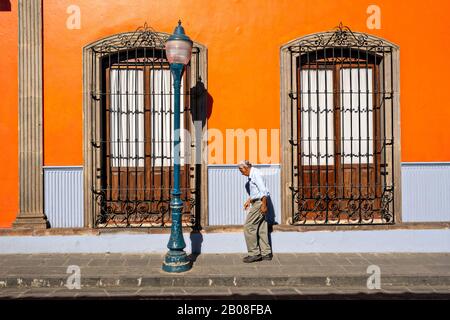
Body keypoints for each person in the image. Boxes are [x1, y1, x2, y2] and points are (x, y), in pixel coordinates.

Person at [238, 160, 273, 263]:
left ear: (246, 167)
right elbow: (256, 191)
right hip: (258, 202)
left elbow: (263, 190)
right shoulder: (254, 174)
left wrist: (264, 204)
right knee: (262, 227)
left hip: (260, 203)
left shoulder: (255, 174)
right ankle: (266, 253)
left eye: (241, 170)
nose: (241, 172)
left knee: (248, 227)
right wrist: (249, 200)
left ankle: (254, 254)